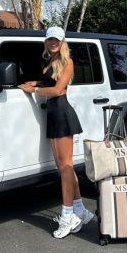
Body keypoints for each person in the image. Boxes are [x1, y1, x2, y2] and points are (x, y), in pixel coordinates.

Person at [19, 26, 94, 238]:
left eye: (57, 40)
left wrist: (33, 90)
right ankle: (81, 210)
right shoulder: (51, 62)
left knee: (65, 167)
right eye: (50, 39)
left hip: (62, 113)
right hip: (52, 114)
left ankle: (67, 216)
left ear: (62, 42)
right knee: (64, 166)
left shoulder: (67, 62)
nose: (53, 42)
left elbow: (57, 90)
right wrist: (36, 82)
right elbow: (50, 82)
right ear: (46, 41)